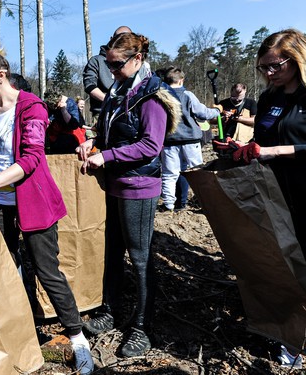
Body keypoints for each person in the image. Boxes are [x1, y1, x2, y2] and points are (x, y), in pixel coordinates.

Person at [0, 40, 94, 375]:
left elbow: (31, 158)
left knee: (46, 270)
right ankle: (20, 334)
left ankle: (78, 339)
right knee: (6, 270)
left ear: (0, 76)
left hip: (34, 203)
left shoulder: (31, 108)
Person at [77, 32, 181, 357]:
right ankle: (110, 312)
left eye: (117, 65)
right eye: (108, 65)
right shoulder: (117, 90)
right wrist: (92, 142)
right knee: (112, 252)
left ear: (137, 59)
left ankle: (142, 327)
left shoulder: (153, 95)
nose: (112, 72)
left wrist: (105, 157)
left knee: (140, 258)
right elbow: (112, 133)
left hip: (139, 187)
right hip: (113, 185)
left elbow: (151, 144)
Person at [227, 29, 306, 249]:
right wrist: (241, 147)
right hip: (274, 190)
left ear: (298, 58)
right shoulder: (269, 97)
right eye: (264, 67)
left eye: (276, 66)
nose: (270, 73)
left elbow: (275, 147)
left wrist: (277, 151)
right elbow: (261, 138)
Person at [159, 67, 219, 212]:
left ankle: (168, 204)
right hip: (190, 141)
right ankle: (205, 201)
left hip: (169, 141)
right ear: (181, 80)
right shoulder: (187, 95)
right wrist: (217, 111)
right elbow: (202, 113)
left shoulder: (160, 96)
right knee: (197, 171)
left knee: (169, 174)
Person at [83, 26, 132, 121]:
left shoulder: (133, 62)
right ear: (111, 39)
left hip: (128, 113)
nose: (122, 42)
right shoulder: (96, 61)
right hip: (102, 113)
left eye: (127, 39)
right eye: (119, 38)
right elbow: (90, 86)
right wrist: (110, 100)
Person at [44, 90, 87, 154]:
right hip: (54, 138)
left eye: (56, 106)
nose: (55, 108)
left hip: (70, 138)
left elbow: (74, 125)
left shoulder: (71, 104)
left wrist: (63, 110)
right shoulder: (47, 104)